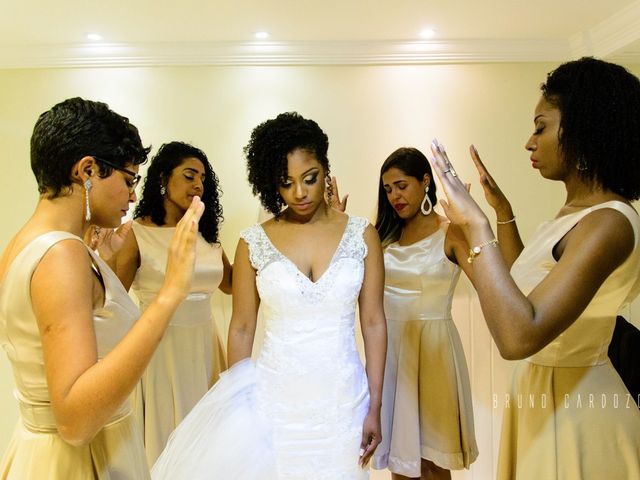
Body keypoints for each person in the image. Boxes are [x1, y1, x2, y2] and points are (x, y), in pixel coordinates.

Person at [430, 57, 640, 479]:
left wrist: (477, 226)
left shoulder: (609, 223)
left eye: (541, 126)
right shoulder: (579, 214)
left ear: (583, 130)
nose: (529, 141)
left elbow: (519, 334)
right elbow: (522, 291)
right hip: (544, 396)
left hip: (579, 412)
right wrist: (500, 213)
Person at [152, 112, 387, 479]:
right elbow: (242, 328)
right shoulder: (253, 242)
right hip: (273, 404)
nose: (300, 192)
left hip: (345, 401)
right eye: (286, 183)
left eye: (310, 178)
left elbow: (373, 322)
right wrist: (237, 408)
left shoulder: (362, 234)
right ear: (270, 184)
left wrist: (375, 404)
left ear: (326, 169)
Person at [0, 97, 204, 479]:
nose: (132, 195)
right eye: (128, 180)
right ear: (88, 170)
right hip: (80, 461)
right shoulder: (61, 255)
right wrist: (170, 293)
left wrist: (102, 268)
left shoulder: (26, 242)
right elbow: (76, 420)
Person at [104, 141, 231, 466]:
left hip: (205, 349)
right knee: (163, 446)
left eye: (202, 178)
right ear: (163, 179)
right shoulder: (137, 234)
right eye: (189, 176)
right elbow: (113, 301)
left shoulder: (204, 234)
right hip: (159, 353)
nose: (198, 185)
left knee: (207, 448)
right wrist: (103, 255)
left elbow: (232, 284)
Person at [369, 147, 478, 480]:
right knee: (400, 461)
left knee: (431, 462)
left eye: (401, 185)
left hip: (433, 353)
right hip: (391, 353)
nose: (394, 196)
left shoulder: (451, 231)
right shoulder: (382, 237)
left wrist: (474, 224)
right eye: (388, 189)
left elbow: (490, 282)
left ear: (425, 181)